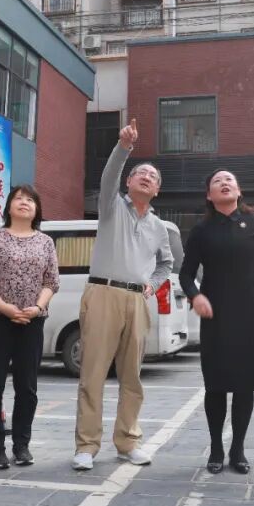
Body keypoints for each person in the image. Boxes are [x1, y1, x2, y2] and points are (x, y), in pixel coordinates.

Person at [72, 119, 173, 471]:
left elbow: (166, 264)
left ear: (157, 190)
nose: (146, 177)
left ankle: (128, 442)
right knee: (93, 374)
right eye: (140, 173)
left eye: (153, 176)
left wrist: (152, 284)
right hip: (103, 293)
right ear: (128, 182)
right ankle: (86, 446)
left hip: (136, 301)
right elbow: (108, 178)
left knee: (132, 376)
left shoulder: (159, 227)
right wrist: (124, 147)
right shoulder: (111, 206)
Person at [179, 170, 254, 475]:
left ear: (239, 191)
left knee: (244, 383)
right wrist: (196, 296)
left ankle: (238, 450)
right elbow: (186, 273)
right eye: (217, 181)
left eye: (230, 180)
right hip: (216, 314)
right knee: (216, 383)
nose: (224, 183)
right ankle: (216, 448)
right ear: (209, 195)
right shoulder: (202, 230)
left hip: (252, 312)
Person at [0, 184, 60, 470]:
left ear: (37, 209)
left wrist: (37, 308)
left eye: (30, 200)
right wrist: (4, 308)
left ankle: (22, 444)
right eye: (18, 198)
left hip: (32, 321)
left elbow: (51, 282)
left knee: (27, 386)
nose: (24, 202)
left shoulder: (45, 242)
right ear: (8, 206)